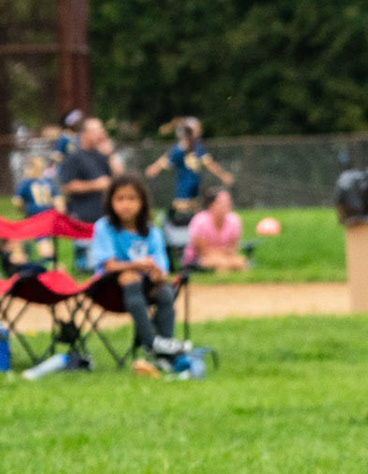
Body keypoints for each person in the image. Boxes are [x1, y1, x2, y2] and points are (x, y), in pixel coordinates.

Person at [89, 175, 188, 375]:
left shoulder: (153, 232)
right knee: (129, 275)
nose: (126, 204)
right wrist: (139, 264)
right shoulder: (104, 227)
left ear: (142, 203)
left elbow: (162, 270)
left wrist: (157, 275)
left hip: (143, 290)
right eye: (120, 198)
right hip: (109, 289)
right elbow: (109, 266)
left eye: (132, 198)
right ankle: (152, 342)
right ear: (111, 202)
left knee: (165, 292)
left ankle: (164, 353)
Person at [144, 118, 234, 217]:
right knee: (182, 209)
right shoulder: (182, 148)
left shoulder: (195, 147)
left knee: (194, 212)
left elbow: (209, 163)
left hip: (193, 184)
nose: (199, 131)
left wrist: (223, 175)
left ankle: (173, 222)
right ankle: (166, 221)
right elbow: (166, 159)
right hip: (185, 185)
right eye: (197, 129)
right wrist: (154, 168)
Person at [58, 118, 123, 250]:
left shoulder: (103, 156)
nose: (99, 134)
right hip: (85, 218)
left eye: (101, 129)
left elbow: (120, 176)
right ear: (83, 134)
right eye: (95, 130)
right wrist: (95, 185)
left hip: (106, 216)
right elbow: (67, 186)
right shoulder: (74, 157)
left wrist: (110, 153)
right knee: (88, 265)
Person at [185, 188, 248, 272]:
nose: (227, 204)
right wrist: (223, 255)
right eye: (222, 202)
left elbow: (233, 247)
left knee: (240, 262)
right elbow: (201, 251)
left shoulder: (234, 220)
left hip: (225, 257)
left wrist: (226, 256)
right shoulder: (200, 221)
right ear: (211, 205)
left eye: (228, 201)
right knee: (220, 265)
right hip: (198, 259)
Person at [10, 155, 58, 265]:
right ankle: (49, 263)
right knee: (44, 238)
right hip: (47, 214)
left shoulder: (26, 182)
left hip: (34, 215)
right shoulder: (47, 182)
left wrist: (22, 208)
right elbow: (56, 199)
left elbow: (17, 200)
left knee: (38, 239)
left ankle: (47, 264)